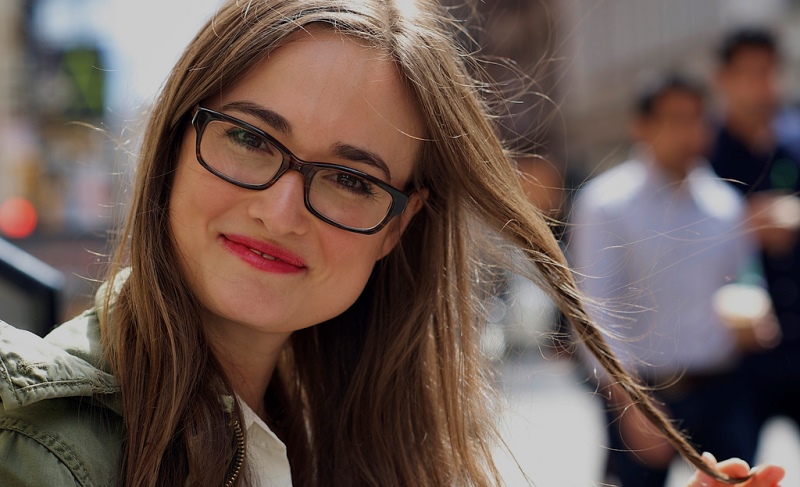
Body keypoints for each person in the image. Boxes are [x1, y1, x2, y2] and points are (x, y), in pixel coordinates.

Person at [0, 1, 783, 486]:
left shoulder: (362, 434)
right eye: (248, 138)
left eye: (350, 179)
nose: (281, 209)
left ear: (398, 227)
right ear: (174, 143)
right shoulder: (39, 442)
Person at [570, 73, 779, 486]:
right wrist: (631, 404)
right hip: (643, 390)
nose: (690, 132)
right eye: (676, 119)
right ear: (642, 126)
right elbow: (594, 313)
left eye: (698, 119)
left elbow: (747, 280)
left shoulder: (725, 204)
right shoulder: (605, 205)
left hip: (721, 387)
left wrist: (757, 314)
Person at [709, 26, 800, 449]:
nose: (760, 85)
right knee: (737, 471)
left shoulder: (794, 140)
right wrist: (743, 227)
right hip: (732, 355)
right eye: (748, 73)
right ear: (722, 79)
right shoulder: (703, 151)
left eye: (767, 72)